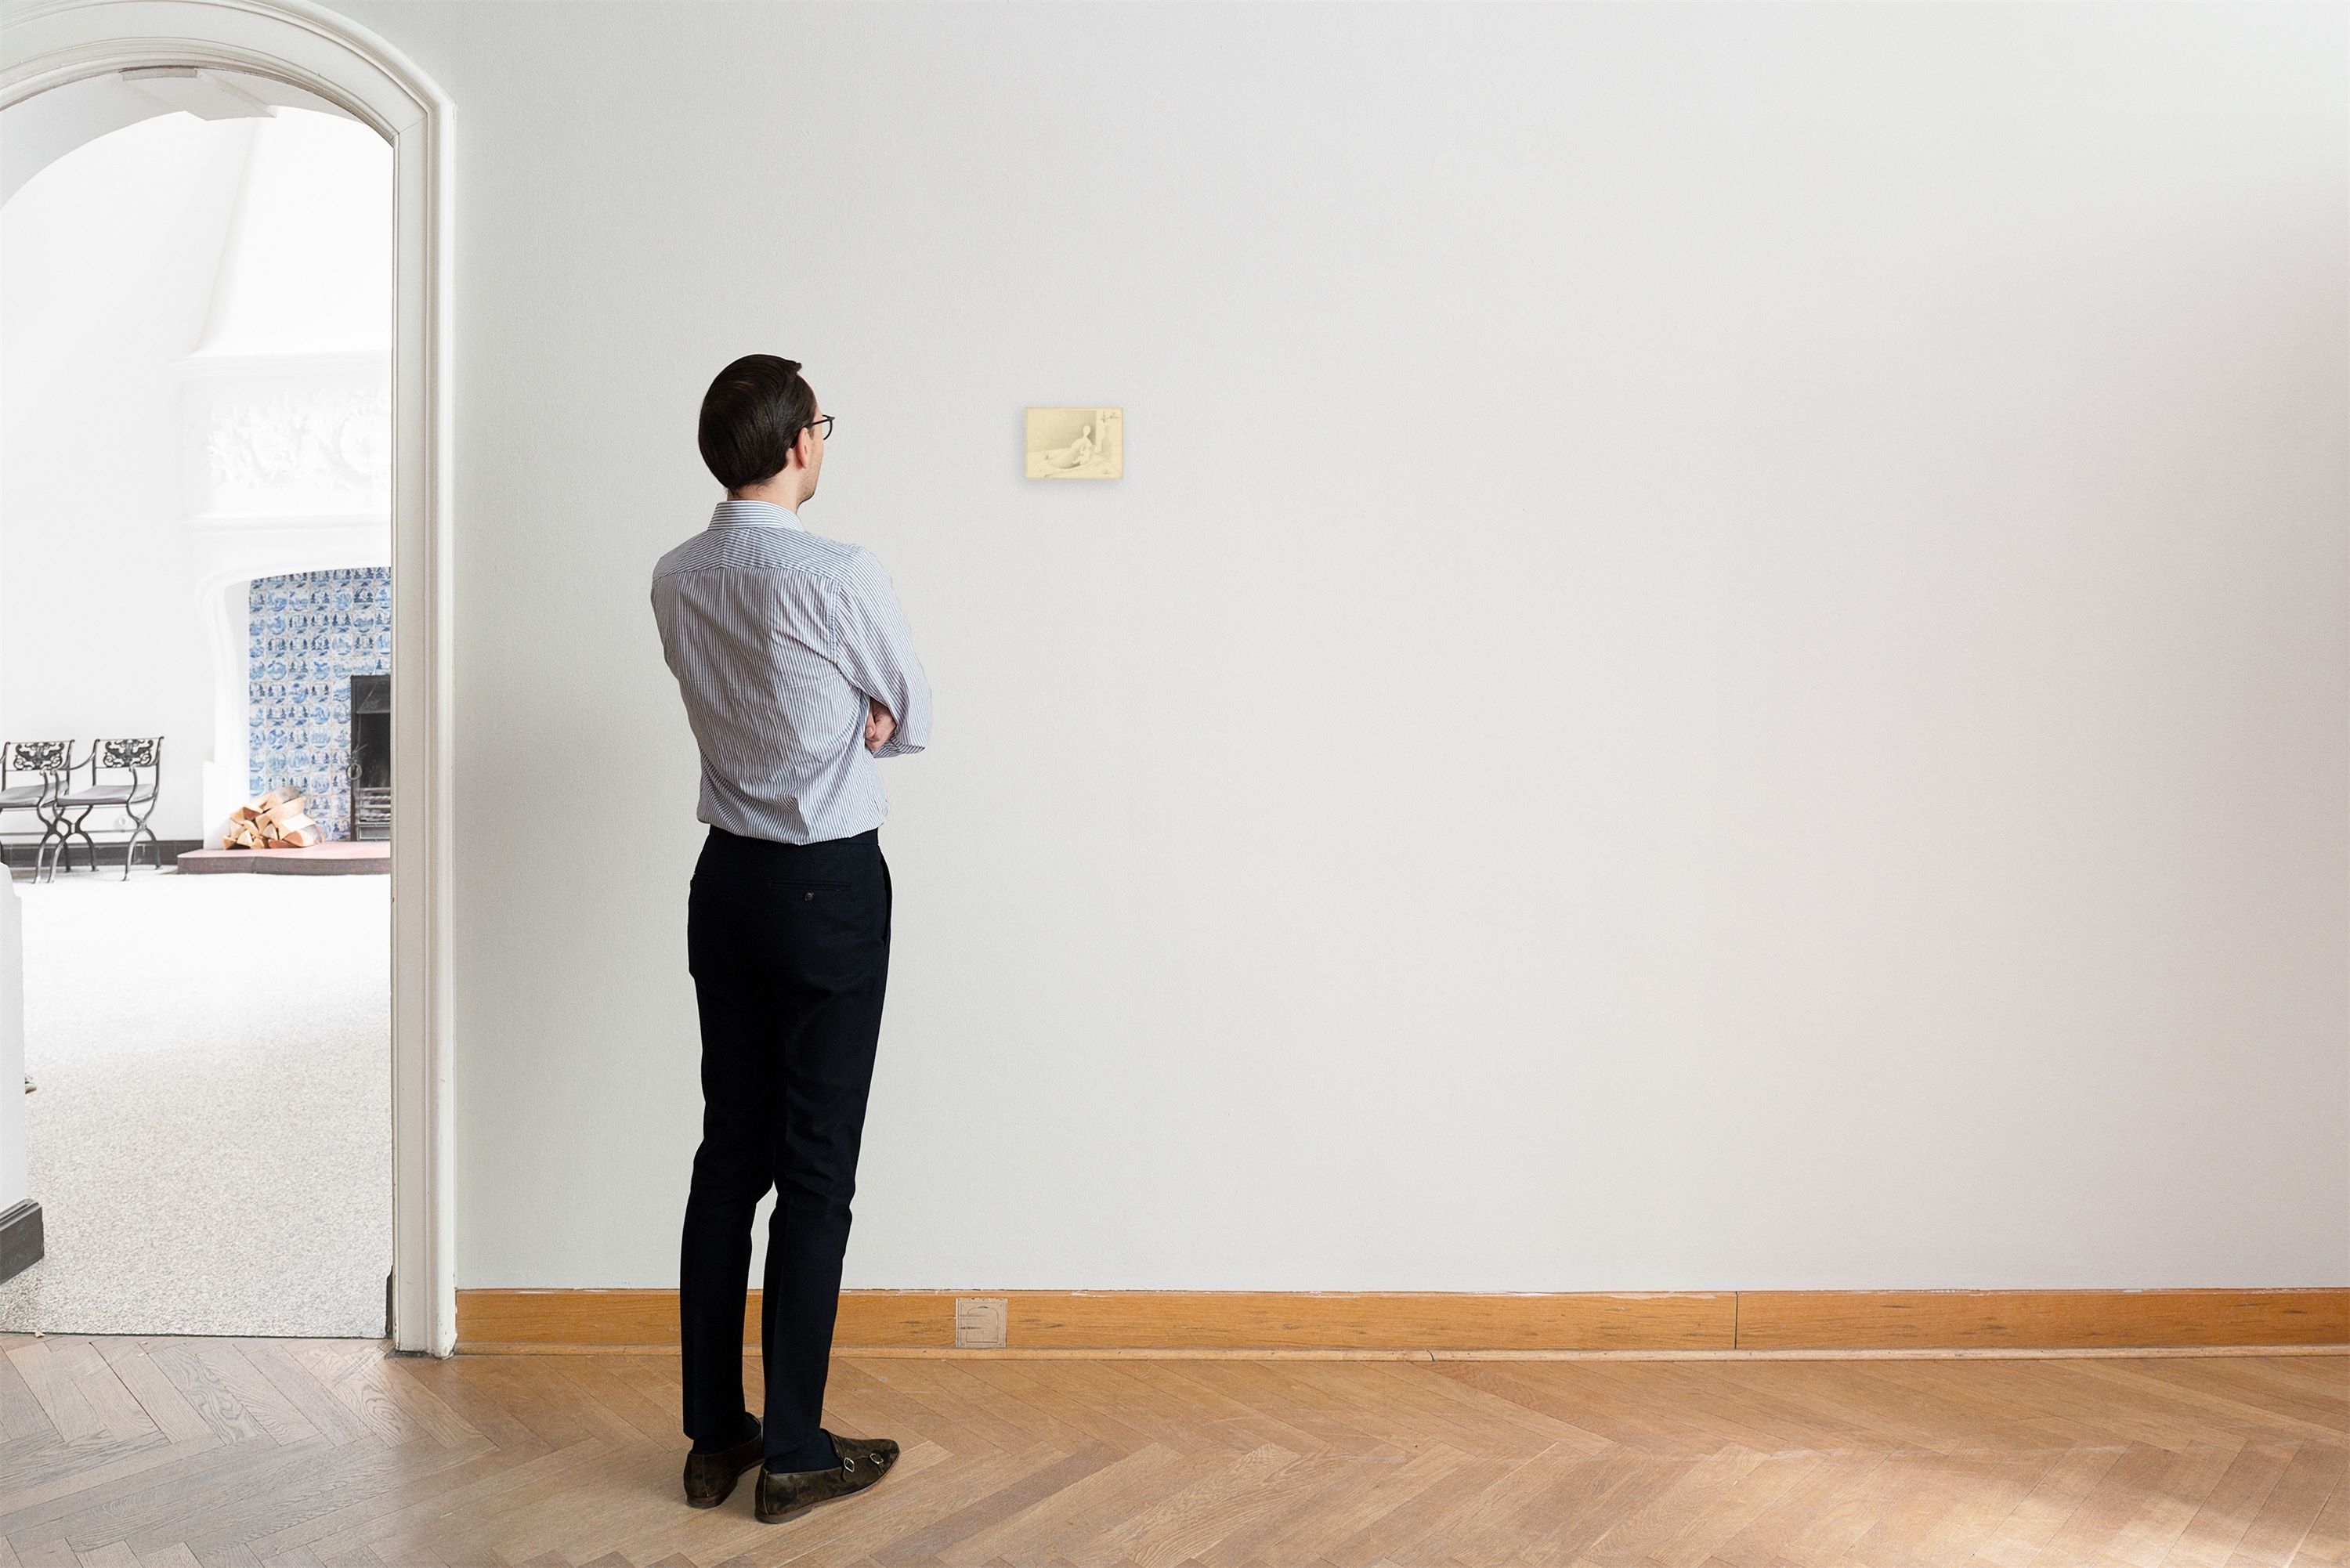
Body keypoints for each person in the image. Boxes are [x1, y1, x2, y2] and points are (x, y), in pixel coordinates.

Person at [649, 353, 932, 1524]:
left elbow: (737, 702)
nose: (825, 438)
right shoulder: (838, 571)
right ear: (798, 445)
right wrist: (864, 715)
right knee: (816, 1169)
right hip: (825, 885)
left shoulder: (675, 576)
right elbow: (913, 707)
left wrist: (840, 713)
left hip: (727, 884)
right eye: (822, 421)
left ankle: (717, 1436)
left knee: (730, 1158)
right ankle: (799, 1448)